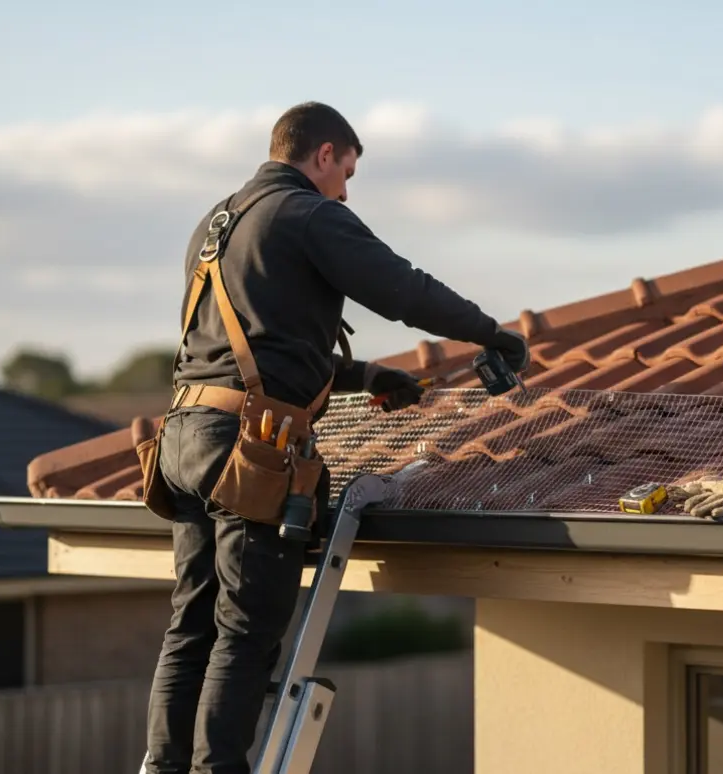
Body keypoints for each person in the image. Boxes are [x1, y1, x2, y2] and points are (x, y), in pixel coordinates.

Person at [141, 101, 529, 774]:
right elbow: (403, 289)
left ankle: (164, 765)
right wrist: (491, 333)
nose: (346, 189)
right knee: (246, 628)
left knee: (192, 626)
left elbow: (257, 347)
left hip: (184, 440)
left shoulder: (218, 221)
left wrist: (369, 375)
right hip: (248, 449)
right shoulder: (309, 213)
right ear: (322, 154)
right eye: (345, 171)